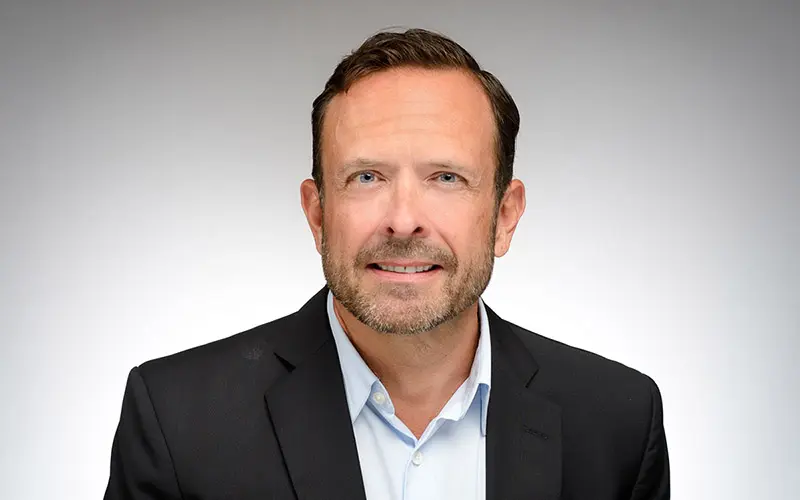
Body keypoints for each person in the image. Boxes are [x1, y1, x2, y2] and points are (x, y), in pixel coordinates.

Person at [104, 28, 669, 500]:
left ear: (504, 215)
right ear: (318, 213)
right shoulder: (178, 421)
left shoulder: (616, 422)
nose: (403, 220)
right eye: (366, 177)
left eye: (446, 178)